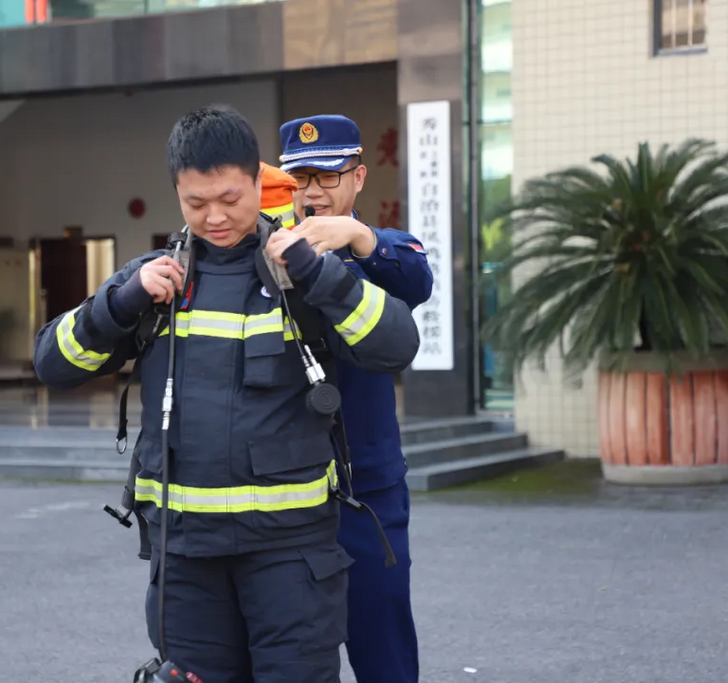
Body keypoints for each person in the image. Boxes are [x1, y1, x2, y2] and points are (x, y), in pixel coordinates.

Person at [32, 105, 422, 683]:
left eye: (231, 199)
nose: (214, 217)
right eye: (196, 203)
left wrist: (322, 273)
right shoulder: (156, 280)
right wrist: (119, 303)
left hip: (294, 561)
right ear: (178, 195)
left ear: (257, 184)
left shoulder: (303, 272)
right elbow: (52, 363)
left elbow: (395, 344)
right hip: (187, 562)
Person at [277, 114, 434, 683]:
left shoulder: (377, 251)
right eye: (301, 179)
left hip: (367, 486)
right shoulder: (271, 250)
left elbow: (418, 277)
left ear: (359, 177)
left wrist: (357, 237)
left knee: (383, 640)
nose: (313, 192)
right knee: (292, 651)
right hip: (286, 487)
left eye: (328, 176)